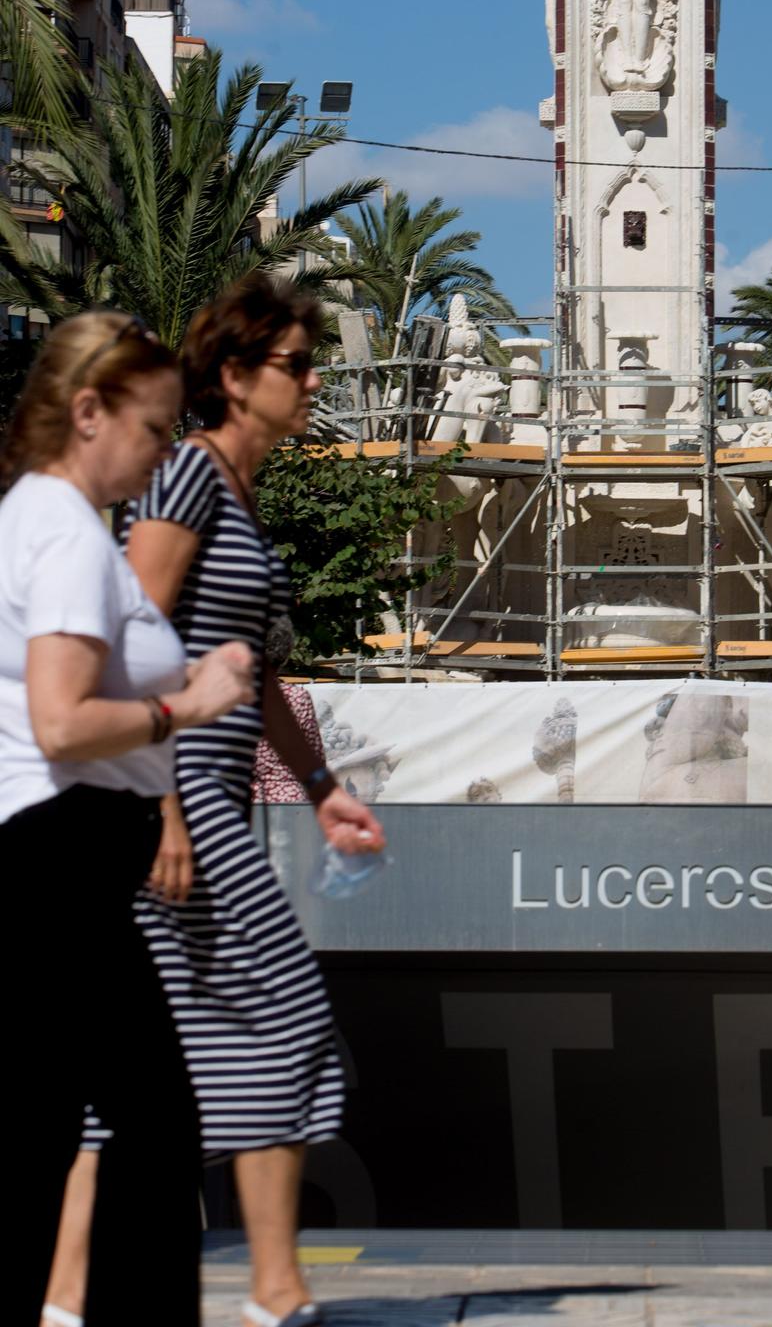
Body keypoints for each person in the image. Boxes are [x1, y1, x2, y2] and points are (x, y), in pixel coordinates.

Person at [45, 275, 384, 1327]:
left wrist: (322, 787)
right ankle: (276, 1289)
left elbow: (262, 671)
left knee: (147, 1059)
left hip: (210, 801)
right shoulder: (188, 476)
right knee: (283, 1013)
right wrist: (168, 810)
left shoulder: (243, 498)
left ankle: (65, 1292)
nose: (315, 378)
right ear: (234, 378)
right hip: (174, 797)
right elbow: (130, 638)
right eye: (295, 362)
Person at [0, 312, 253, 1326]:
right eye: (152, 430)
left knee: (50, 1125)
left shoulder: (34, 517)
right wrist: (187, 704)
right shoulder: (63, 532)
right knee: (151, 1125)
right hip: (57, 855)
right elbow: (61, 719)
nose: (162, 456)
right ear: (88, 410)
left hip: (56, 858)